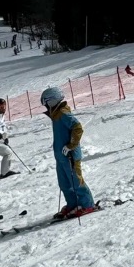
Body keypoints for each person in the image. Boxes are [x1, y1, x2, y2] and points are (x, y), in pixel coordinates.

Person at [40, 87, 96, 218]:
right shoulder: (56, 114)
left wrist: (71, 145)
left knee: (76, 181)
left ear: (52, 100)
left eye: (45, 102)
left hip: (70, 155)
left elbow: (78, 127)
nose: (45, 106)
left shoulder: (63, 113)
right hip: (61, 156)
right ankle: (73, 204)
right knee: (64, 183)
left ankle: (87, 204)